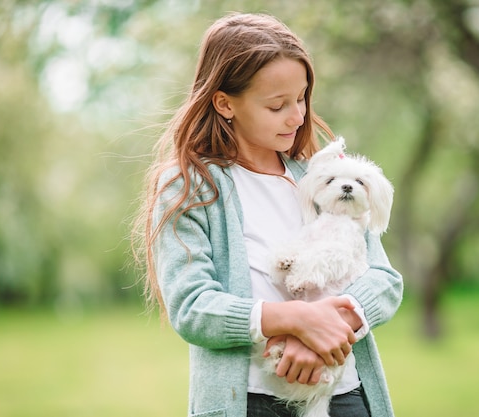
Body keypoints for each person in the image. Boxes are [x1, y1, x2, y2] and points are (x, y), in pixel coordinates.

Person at [134, 12, 403, 417]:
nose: (297, 117)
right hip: (248, 403)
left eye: (302, 98)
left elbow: (383, 280)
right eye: (278, 105)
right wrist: (293, 319)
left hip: (344, 397)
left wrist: (324, 332)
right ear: (225, 103)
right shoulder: (190, 187)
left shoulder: (318, 176)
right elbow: (192, 306)